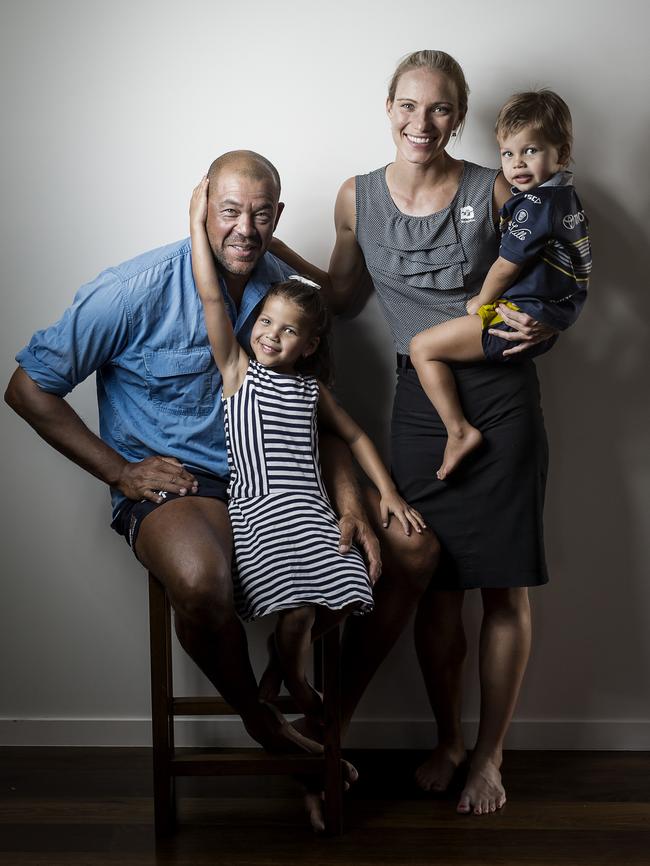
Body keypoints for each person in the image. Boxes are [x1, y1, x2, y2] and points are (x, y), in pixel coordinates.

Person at [5, 149, 437, 832]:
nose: (244, 227)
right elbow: (27, 389)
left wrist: (351, 498)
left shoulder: (284, 289)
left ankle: (329, 728)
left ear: (279, 217)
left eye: (261, 213)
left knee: (414, 553)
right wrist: (118, 471)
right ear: (203, 208)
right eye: (229, 210)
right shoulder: (133, 287)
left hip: (284, 486)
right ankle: (266, 723)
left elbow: (318, 409)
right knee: (203, 580)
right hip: (184, 491)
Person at [270, 50, 557, 815]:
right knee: (433, 583)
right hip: (418, 408)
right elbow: (341, 293)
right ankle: (448, 739)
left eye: (437, 109)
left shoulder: (492, 188)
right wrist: (269, 248)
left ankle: (489, 757)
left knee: (502, 587)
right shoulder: (355, 198)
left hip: (499, 401)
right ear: (388, 108)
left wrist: (548, 327)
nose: (420, 122)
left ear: (457, 116)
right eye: (407, 105)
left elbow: (542, 276)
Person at [189, 175, 425, 727]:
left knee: (353, 584)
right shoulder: (237, 372)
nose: (271, 335)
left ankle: (282, 660)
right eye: (265, 322)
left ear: (311, 344)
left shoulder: (311, 389)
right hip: (261, 512)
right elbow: (209, 293)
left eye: (289, 329)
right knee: (295, 601)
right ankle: (292, 674)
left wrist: (386, 491)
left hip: (312, 508)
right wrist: (196, 223)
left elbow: (358, 436)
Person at [410, 90, 591, 479]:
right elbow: (580, 268)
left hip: (520, 317)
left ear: (561, 153)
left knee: (421, 347)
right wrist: (561, 314)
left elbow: (506, 267)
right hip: (547, 313)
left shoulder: (535, 206)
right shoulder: (566, 198)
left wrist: (480, 301)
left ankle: (458, 431)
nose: (517, 163)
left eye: (531, 151)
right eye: (508, 154)